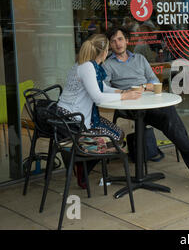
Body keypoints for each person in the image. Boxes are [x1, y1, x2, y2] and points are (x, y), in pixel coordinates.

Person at [102, 26, 189, 186]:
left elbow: (154, 81)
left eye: (120, 39)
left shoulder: (139, 59)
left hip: (149, 101)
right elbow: (104, 87)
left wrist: (144, 87)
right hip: (129, 106)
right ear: (110, 45)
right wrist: (124, 92)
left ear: (126, 40)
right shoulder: (108, 64)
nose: (117, 44)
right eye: (113, 41)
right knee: (170, 122)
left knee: (169, 118)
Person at [57, 34, 142, 189]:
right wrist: (125, 96)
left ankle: (83, 165)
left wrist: (121, 92)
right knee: (115, 135)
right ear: (104, 52)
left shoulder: (83, 64)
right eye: (108, 49)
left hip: (68, 117)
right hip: (74, 122)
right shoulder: (88, 67)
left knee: (117, 132)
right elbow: (98, 97)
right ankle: (82, 164)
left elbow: (102, 88)